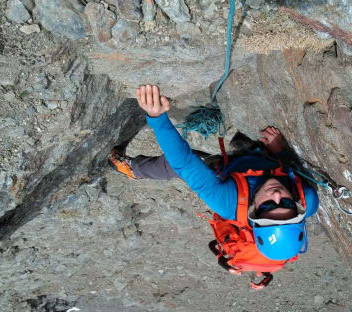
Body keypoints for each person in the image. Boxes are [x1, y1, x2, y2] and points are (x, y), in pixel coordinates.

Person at [110, 84, 319, 263]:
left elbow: (184, 162)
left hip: (230, 172)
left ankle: (133, 169)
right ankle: (245, 149)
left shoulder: (227, 202)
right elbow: (296, 170)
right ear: (298, 207)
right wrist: (280, 152)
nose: (276, 196)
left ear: (254, 211)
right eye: (287, 204)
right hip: (260, 162)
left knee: (181, 166)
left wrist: (157, 117)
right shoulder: (307, 197)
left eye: (268, 206)